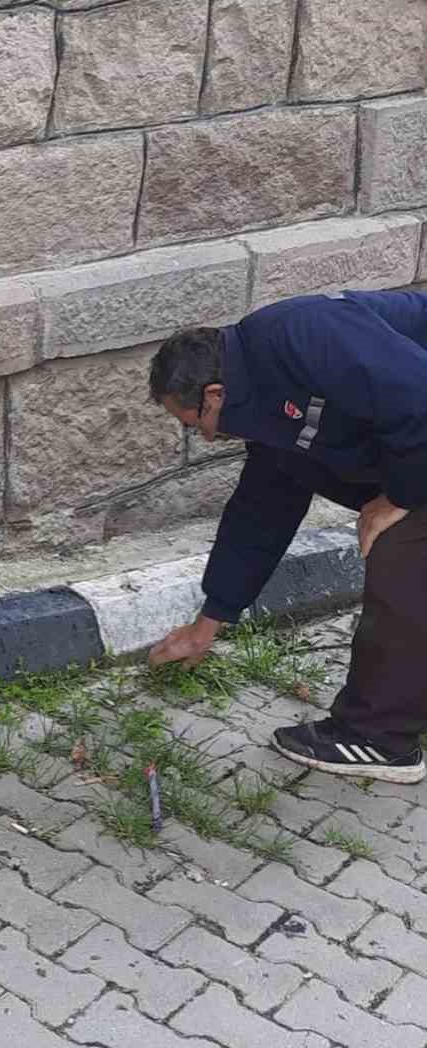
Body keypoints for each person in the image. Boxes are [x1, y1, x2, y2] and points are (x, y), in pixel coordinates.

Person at [148, 289, 427, 784]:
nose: (207, 438)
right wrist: (208, 625)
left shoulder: (303, 333)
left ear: (213, 395)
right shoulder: (266, 406)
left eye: (196, 425)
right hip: (413, 442)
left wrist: (397, 499)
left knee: (398, 548)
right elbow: (260, 512)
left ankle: (378, 739)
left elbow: (419, 400)